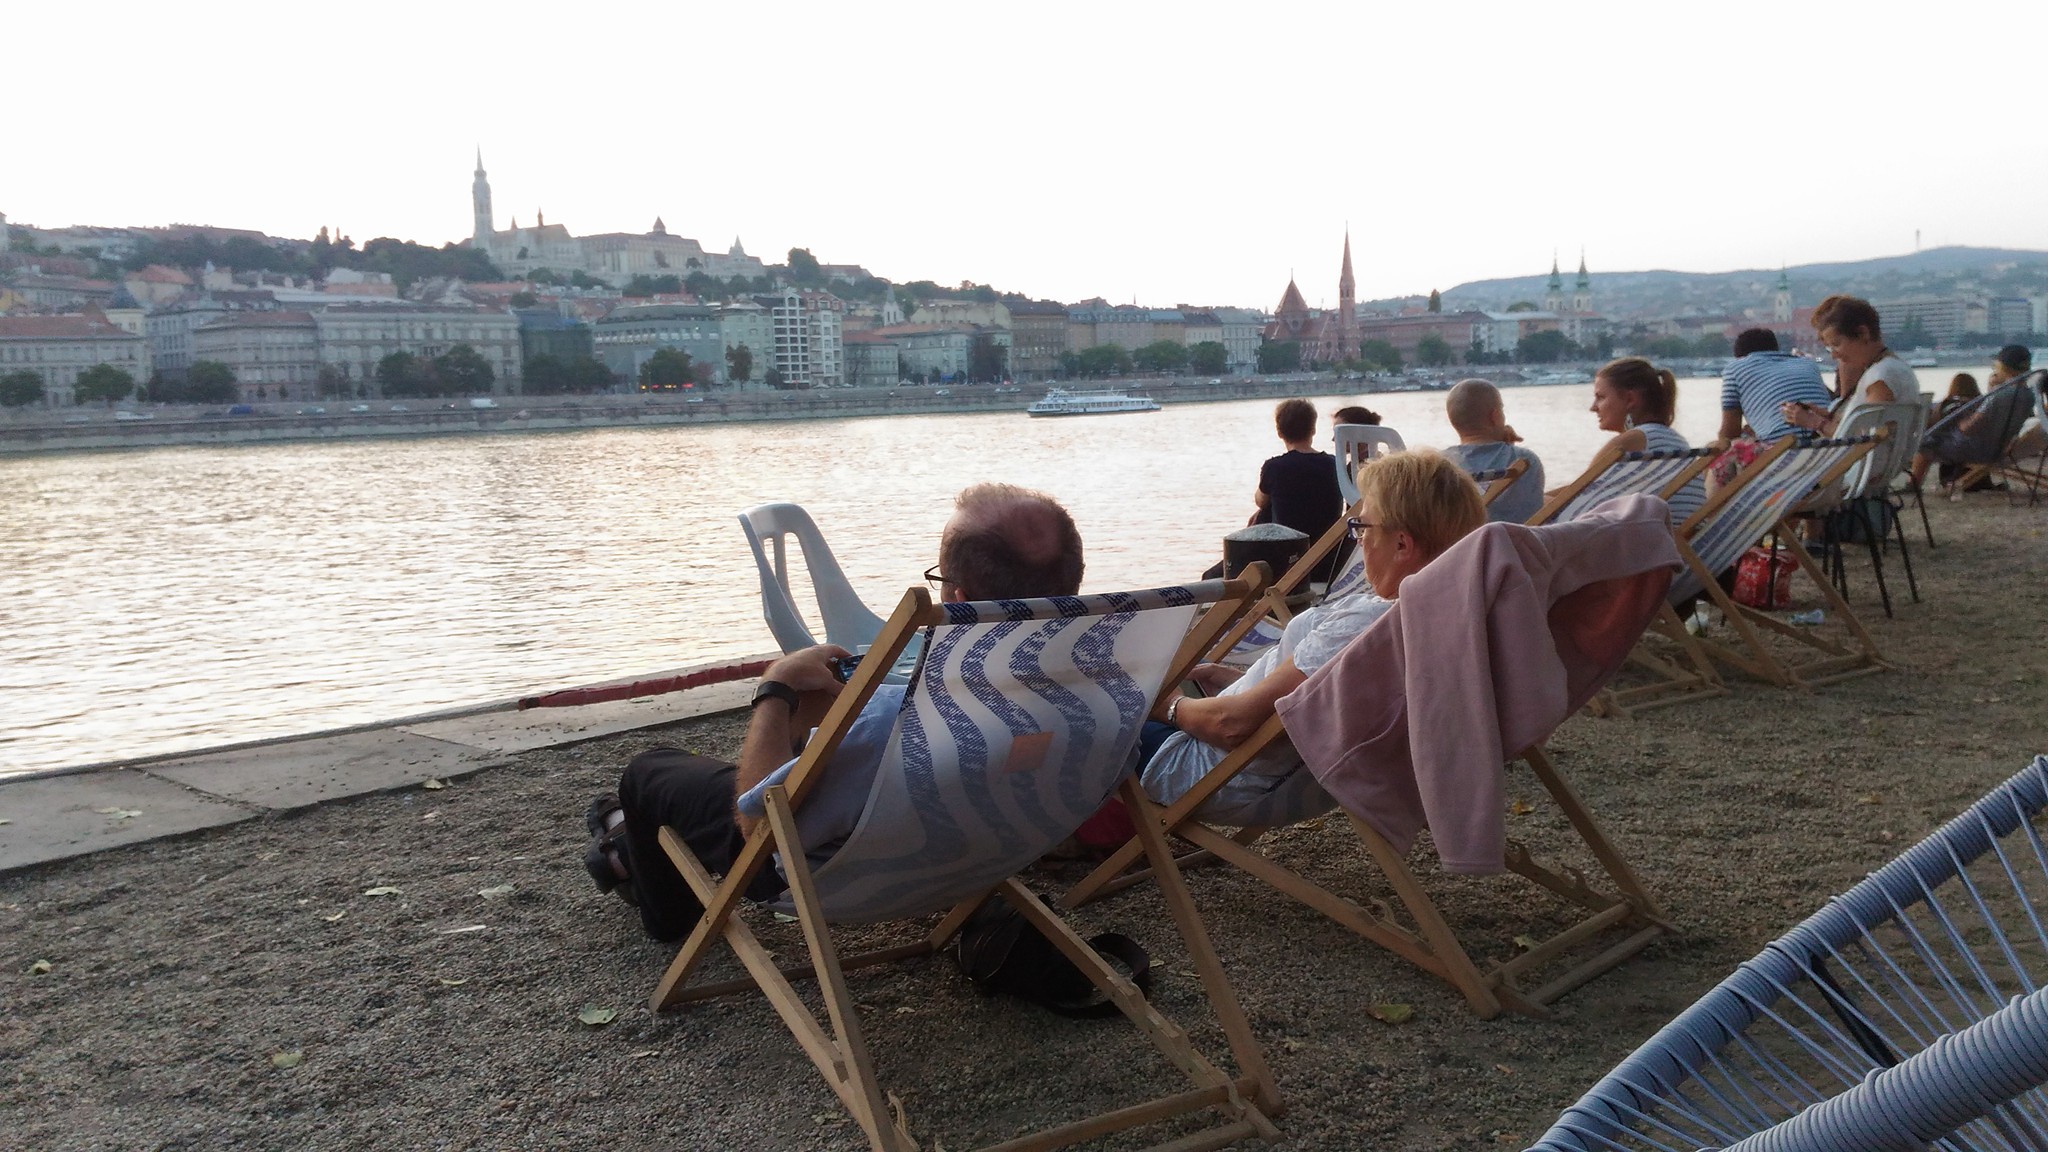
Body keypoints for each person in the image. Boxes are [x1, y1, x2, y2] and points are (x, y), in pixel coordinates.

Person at [584, 483, 1087, 941]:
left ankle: (652, 889)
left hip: (831, 879)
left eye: (939, 580)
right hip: (987, 855)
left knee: (650, 772)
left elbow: (760, 832)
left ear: (958, 598)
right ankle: (622, 836)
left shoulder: (897, 721)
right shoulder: (1103, 698)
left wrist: (776, 690)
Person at [1139, 451, 1486, 825]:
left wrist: (1166, 705)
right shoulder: (1442, 617)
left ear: (1402, 544)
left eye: (1363, 528)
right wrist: (1236, 680)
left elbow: (1231, 725)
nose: (1358, 542)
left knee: (1102, 704)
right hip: (1301, 780)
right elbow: (1315, 700)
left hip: (1209, 772)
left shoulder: (1367, 628)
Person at [1907, 344, 2040, 493]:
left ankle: (1913, 485)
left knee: (1925, 443)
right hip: (1999, 449)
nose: (1994, 370)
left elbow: (1969, 428)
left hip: (1975, 451)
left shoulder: (1999, 395)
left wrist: (1959, 422)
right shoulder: (2028, 395)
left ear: (2004, 367)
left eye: (1996, 367)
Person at [1588, 357, 1705, 525]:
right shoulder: (1675, 442)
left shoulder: (1631, 442)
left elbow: (1575, 496)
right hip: (1681, 538)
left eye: (1600, 397)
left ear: (1630, 399)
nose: (1593, 407)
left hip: (1648, 539)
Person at [1781, 295, 1916, 437]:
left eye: (1836, 344)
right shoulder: (1891, 369)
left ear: (1863, 333)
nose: (1834, 355)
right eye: (1830, 348)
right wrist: (1827, 417)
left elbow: (1866, 439)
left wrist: (1815, 422)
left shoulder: (1881, 378)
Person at [1439, 378, 1545, 523]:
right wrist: (1508, 447)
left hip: (1463, 538)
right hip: (1516, 537)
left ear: (1452, 420)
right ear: (1495, 416)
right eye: (1502, 409)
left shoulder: (1437, 467)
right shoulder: (1526, 461)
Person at [1718, 328, 1833, 445]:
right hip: (1831, 437)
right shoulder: (1807, 363)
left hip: (1781, 444)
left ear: (1739, 356)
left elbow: (1730, 433)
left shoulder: (1734, 369)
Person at [1253, 398, 1344, 541]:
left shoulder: (1274, 467)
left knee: (1264, 511)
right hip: (1328, 546)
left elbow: (1260, 501)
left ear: (1279, 432)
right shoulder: (1334, 464)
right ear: (1313, 430)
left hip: (1290, 546)